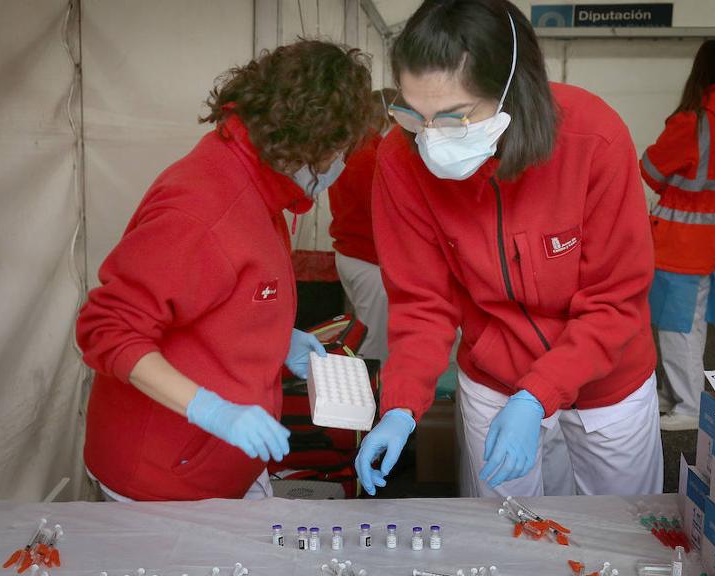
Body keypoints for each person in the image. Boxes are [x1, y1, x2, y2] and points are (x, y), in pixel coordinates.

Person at [354, 0, 662, 499]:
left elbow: (615, 300)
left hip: (607, 385)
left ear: (511, 90)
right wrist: (399, 406)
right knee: (504, 545)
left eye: (453, 118)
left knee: (621, 537)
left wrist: (539, 395)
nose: (430, 139)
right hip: (495, 379)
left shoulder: (594, 139)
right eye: (414, 115)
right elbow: (420, 304)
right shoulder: (398, 160)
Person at [76, 40, 374, 502]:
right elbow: (106, 329)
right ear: (305, 141)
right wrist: (211, 410)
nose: (340, 165)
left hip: (219, 464)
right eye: (336, 151)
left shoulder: (257, 182)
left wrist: (274, 339)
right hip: (164, 477)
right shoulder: (204, 209)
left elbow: (223, 293)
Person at [640, 40, 715, 432]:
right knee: (689, 325)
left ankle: (686, 406)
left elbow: (650, 168)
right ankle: (676, 395)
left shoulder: (692, 121)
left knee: (676, 328)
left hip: (678, 240)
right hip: (709, 238)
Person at [327, 89, 398, 361]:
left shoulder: (358, 148)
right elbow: (384, 210)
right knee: (373, 345)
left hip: (355, 255)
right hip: (367, 260)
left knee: (368, 334)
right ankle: (372, 400)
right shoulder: (366, 155)